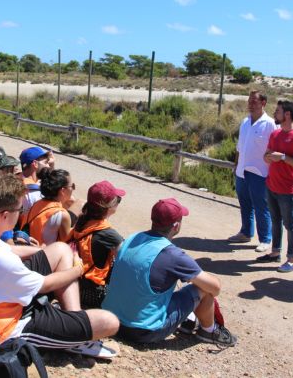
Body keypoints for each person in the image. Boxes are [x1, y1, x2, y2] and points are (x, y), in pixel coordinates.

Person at [0, 172, 119, 358]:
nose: (20, 213)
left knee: (61, 249)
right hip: (2, 331)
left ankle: (74, 324)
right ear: (5, 216)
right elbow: (45, 283)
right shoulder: (0, 262)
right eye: (20, 210)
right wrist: (78, 269)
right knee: (109, 322)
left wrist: (44, 251)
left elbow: (7, 249)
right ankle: (74, 337)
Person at [102, 198, 237, 346]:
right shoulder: (173, 255)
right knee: (202, 288)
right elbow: (215, 288)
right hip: (141, 331)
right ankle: (209, 331)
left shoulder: (133, 238)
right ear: (176, 226)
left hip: (110, 320)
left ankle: (188, 320)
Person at [256, 100, 293, 272]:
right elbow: (266, 155)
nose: (275, 113)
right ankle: (275, 253)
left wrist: (284, 157)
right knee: (275, 221)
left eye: (278, 111)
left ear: (287, 114)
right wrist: (268, 157)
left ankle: (292, 260)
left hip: (288, 189)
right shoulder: (275, 134)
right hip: (271, 185)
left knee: (290, 224)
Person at [229, 90, 276, 252]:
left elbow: (275, 148)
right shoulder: (244, 122)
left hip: (260, 172)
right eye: (249, 100)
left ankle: (265, 239)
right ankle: (245, 232)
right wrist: (236, 165)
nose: (250, 104)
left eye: (254, 101)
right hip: (242, 170)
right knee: (244, 203)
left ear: (263, 103)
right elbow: (240, 146)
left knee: (261, 206)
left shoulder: (270, 123)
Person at [65, 181, 125, 308]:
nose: (119, 202)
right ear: (108, 207)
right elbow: (127, 256)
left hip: (78, 283)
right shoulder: (108, 234)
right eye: (117, 200)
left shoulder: (83, 219)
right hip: (94, 292)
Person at [18, 169, 74, 246]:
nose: (73, 189)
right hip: (45, 253)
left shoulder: (37, 203)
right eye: (72, 186)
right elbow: (66, 242)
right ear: (62, 191)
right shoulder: (63, 215)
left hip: (29, 247)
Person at [19, 146, 55, 216]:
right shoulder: (34, 193)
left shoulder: (18, 178)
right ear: (35, 164)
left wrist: (52, 164)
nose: (48, 166)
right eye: (46, 162)